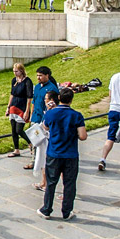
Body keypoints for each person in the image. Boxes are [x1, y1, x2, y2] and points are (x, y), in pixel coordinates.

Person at [37, 87, 87, 221]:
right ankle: (66, 211)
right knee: (69, 183)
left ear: (59, 98)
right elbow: (82, 136)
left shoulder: (51, 114)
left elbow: (45, 127)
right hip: (70, 154)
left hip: (54, 153)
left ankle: (46, 209)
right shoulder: (77, 115)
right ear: (71, 100)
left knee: (51, 182)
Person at [24, 66, 58, 170]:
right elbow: (34, 101)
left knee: (44, 141)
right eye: (37, 75)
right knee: (34, 139)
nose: (38, 77)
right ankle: (34, 160)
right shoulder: (38, 87)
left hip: (45, 120)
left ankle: (46, 160)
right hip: (36, 117)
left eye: (41, 75)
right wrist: (30, 115)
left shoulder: (52, 89)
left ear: (47, 75)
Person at [33, 90, 60, 191]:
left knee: (55, 165)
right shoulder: (49, 111)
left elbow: (46, 126)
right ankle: (44, 183)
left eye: (46, 99)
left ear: (52, 100)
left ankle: (49, 185)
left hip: (51, 140)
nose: (44, 100)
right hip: (46, 140)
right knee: (43, 161)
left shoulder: (53, 112)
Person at [7, 63, 34, 158]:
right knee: (13, 130)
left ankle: (30, 143)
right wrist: (8, 107)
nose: (15, 73)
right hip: (13, 106)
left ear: (21, 71)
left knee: (19, 130)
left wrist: (27, 110)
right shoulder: (14, 80)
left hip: (21, 107)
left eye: (16, 71)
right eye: (14, 71)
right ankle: (16, 149)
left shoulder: (27, 81)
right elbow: (12, 94)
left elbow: (29, 97)